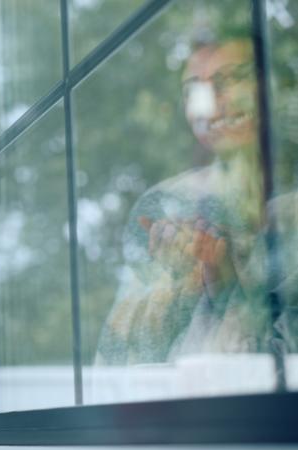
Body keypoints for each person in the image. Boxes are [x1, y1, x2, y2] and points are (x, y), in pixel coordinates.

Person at [95, 38, 280, 365]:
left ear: (268, 86)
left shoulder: (285, 209)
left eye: (231, 78)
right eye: (194, 90)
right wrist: (183, 289)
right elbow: (119, 354)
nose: (209, 103)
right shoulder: (166, 204)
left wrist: (225, 286)